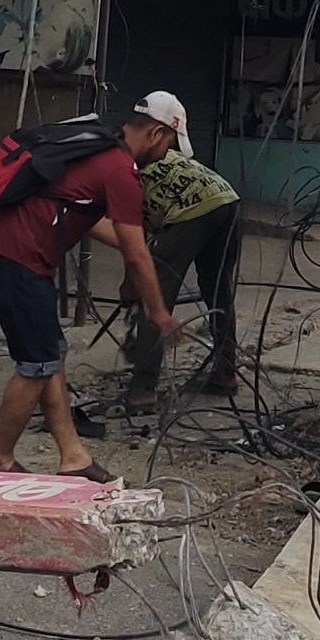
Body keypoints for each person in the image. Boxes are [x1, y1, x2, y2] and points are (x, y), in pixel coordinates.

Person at [0, 105, 181, 477]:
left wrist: (133, 244)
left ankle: (73, 456)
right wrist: (159, 313)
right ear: (155, 134)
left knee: (52, 352)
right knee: (36, 365)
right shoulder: (121, 170)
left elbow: (79, 214)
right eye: (170, 144)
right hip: (16, 262)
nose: (167, 155)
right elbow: (136, 253)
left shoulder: (98, 150)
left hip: (5, 256)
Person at [120, 104, 242, 412]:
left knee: (156, 290)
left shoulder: (128, 158)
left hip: (192, 210)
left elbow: (134, 239)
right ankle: (226, 372)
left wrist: (131, 282)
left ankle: (143, 388)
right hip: (227, 199)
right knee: (218, 290)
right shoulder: (146, 153)